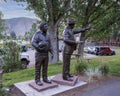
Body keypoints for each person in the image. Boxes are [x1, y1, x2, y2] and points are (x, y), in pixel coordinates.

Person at [31, 22, 53, 86]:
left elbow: (50, 45)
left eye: (47, 26)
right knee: (38, 68)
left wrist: (52, 52)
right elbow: (33, 42)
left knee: (45, 67)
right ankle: (37, 80)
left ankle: (45, 78)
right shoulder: (37, 34)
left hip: (46, 54)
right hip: (39, 54)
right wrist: (38, 47)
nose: (47, 28)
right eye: (45, 27)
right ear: (42, 27)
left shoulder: (47, 35)